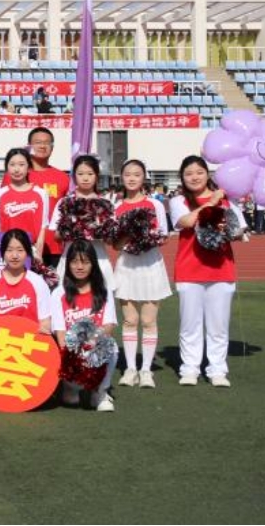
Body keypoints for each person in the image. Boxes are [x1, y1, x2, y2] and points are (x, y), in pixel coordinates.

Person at [169, 155, 246, 387]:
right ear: (182, 177)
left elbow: (239, 230)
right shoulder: (179, 200)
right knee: (189, 325)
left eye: (199, 172)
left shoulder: (227, 200)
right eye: (188, 173)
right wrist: (211, 202)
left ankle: (217, 370)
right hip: (189, 270)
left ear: (207, 174)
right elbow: (186, 222)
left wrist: (232, 230)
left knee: (218, 326)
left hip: (221, 270)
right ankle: (190, 369)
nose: (194, 177)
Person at [112, 159, 172, 388]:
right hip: (126, 265)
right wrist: (130, 234)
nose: (132, 178)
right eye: (128, 174)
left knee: (148, 321)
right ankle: (130, 369)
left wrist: (145, 238)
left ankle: (146, 370)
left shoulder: (155, 205)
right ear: (122, 177)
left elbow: (163, 236)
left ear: (144, 177)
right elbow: (115, 244)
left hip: (150, 264)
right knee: (130, 320)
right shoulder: (116, 207)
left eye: (137, 174)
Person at [52, 240, 118, 412]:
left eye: (85, 262)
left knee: (112, 346)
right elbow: (60, 332)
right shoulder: (59, 293)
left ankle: (100, 392)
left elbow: (109, 326)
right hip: (69, 352)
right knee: (71, 400)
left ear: (93, 264)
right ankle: (70, 387)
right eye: (74, 262)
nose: (79, 267)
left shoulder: (104, 291)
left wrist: (92, 342)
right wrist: (73, 353)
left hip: (94, 347)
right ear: (68, 264)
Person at [2, 127, 71, 267]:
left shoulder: (63, 177)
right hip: (20, 246)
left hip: (54, 247)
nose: (42, 146)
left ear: (52, 147)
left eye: (47, 143)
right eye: (38, 142)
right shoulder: (14, 176)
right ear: (29, 146)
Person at [48, 155, 116, 289]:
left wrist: (101, 231)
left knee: (100, 299)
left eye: (90, 174)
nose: (85, 178)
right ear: (74, 176)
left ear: (97, 176)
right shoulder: (65, 203)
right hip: (71, 258)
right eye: (80, 174)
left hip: (98, 258)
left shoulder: (106, 204)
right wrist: (70, 228)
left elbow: (110, 240)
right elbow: (56, 237)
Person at [0, 229, 52, 333]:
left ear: (27, 252)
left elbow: (45, 322)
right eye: (9, 250)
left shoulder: (38, 283)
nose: (15, 255)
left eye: (20, 250)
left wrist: (44, 330)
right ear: (3, 252)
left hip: (29, 341)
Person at [0, 149, 51, 262]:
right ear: (7, 168)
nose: (16, 169)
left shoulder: (41, 193)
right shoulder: (0, 194)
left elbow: (42, 227)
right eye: (12, 165)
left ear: (28, 167)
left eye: (21, 165)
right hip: (9, 252)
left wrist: (38, 255)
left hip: (32, 251)